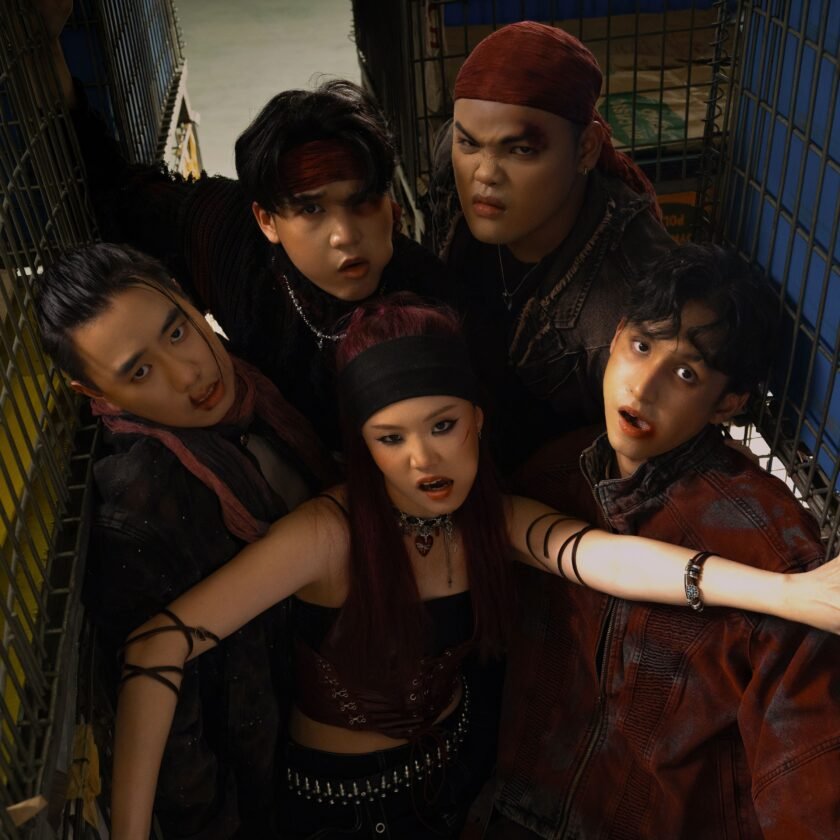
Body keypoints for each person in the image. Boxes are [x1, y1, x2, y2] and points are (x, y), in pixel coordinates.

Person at [104, 295, 840, 839]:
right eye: (390, 439)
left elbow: (605, 558)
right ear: (361, 446)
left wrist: (789, 594)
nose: (422, 459)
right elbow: (156, 645)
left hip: (458, 784)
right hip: (341, 810)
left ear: (478, 421)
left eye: (443, 426)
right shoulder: (330, 534)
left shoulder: (490, 517)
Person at [488, 244, 840, 839]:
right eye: (642, 346)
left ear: (727, 404)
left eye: (686, 374)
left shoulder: (771, 548)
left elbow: (807, 786)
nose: (644, 387)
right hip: (512, 814)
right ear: (615, 337)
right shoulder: (551, 477)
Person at [39, 0, 456, 450]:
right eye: (311, 211)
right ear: (267, 220)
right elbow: (116, 188)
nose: (345, 236)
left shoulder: (433, 296)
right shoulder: (229, 238)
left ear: (391, 206)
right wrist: (49, 49)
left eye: (362, 203)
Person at [35, 243, 336, 839]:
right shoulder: (144, 512)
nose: (189, 374)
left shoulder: (249, 384)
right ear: (92, 391)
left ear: (186, 298)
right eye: (139, 372)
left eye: (176, 333)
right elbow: (179, 748)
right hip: (282, 782)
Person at [434, 21, 676, 468]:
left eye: (521, 150)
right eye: (469, 143)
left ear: (586, 149)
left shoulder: (628, 306)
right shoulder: (452, 166)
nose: (484, 173)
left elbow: (645, 463)